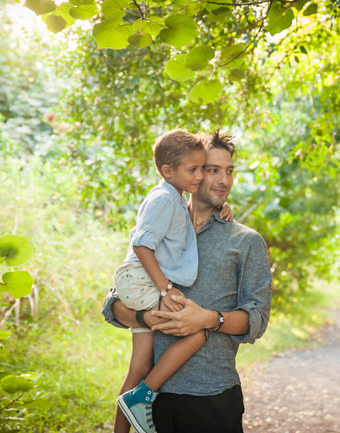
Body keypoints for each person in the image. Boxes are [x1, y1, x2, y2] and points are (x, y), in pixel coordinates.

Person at [102, 129, 272, 433]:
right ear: (190, 172)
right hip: (154, 402)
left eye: (229, 171)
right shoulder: (166, 220)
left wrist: (207, 319)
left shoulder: (246, 241)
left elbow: (257, 320)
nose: (224, 181)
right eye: (212, 170)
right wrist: (146, 317)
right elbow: (113, 304)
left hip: (212, 395)